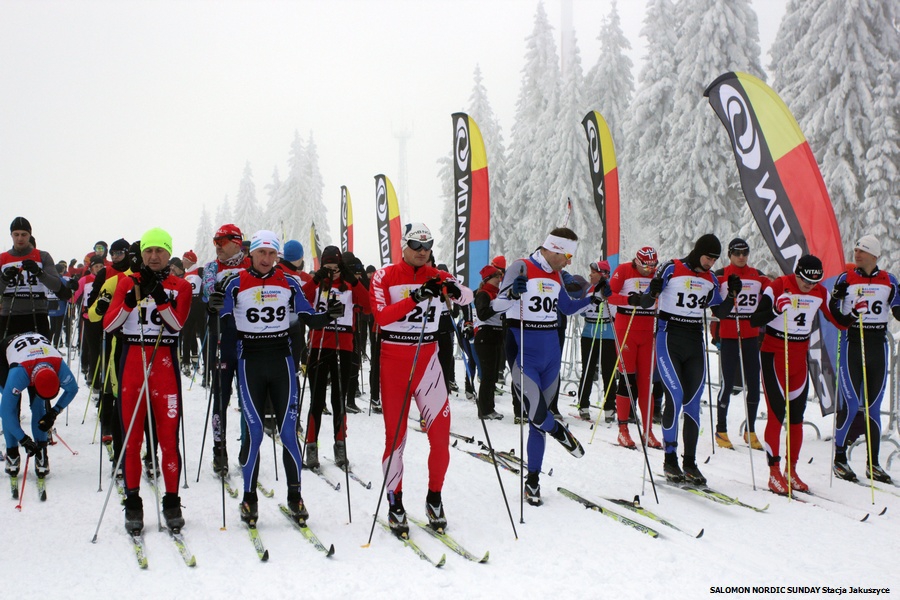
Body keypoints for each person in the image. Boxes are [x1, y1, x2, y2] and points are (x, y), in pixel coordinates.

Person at [213, 230, 337, 525]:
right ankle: (248, 498)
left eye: (272, 254)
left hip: (282, 360)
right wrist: (214, 307)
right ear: (251, 255)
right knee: (255, 434)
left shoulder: (289, 282)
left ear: (277, 257)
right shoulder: (235, 282)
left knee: (289, 433)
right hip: (250, 361)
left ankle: (295, 497)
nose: (266, 259)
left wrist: (328, 316)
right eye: (261, 253)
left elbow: (307, 316)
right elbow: (224, 319)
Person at [369, 222, 473, 535]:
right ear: (404, 246)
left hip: (428, 360)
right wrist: (416, 297)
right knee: (396, 439)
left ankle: (434, 498)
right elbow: (382, 317)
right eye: (415, 246)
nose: (421, 252)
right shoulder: (385, 275)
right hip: (394, 360)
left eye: (426, 247)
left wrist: (454, 290)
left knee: (441, 437)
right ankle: (395, 501)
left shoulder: (437, 275)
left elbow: (467, 297)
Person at [492, 227, 592, 506]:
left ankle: (533, 480)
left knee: (538, 423)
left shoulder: (556, 275)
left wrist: (593, 299)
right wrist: (512, 293)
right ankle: (559, 431)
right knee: (536, 414)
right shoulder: (521, 267)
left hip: (551, 354)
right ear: (555, 249)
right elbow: (494, 306)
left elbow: (568, 308)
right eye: (567, 255)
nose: (569, 261)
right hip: (523, 351)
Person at [103, 227, 192, 533]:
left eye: (160, 251)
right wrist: (129, 300)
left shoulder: (180, 285)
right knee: (131, 439)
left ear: (169, 254)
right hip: (132, 363)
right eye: (149, 251)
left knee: (168, 439)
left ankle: (171, 501)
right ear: (141, 254)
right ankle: (133, 504)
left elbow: (177, 325)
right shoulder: (126, 281)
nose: (154, 257)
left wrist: (159, 296)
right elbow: (108, 325)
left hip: (164, 364)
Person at [646, 234, 737, 485]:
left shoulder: (710, 279)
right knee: (674, 398)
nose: (711, 263)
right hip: (669, 338)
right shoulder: (672, 267)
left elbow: (719, 312)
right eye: (708, 257)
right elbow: (645, 300)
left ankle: (689, 463)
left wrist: (731, 296)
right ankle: (670, 459)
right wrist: (652, 290)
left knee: (693, 404)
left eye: (715, 259)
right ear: (698, 252)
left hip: (694, 341)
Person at [749, 254, 842, 495]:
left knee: (797, 417)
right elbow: (754, 320)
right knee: (776, 414)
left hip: (799, 357)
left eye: (814, 282)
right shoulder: (778, 285)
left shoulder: (819, 292)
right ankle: (774, 472)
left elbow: (840, 321)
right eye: (805, 282)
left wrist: (853, 309)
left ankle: (791, 470)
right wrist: (775, 309)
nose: (809, 287)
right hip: (774, 354)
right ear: (797, 274)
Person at [829, 235, 899, 484]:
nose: (857, 254)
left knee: (873, 408)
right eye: (856, 249)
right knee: (850, 404)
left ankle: (874, 463)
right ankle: (839, 458)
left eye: (862, 251)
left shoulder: (889, 281)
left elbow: (897, 311)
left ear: (874, 255)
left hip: (877, 345)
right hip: (852, 343)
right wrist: (845, 312)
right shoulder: (846, 278)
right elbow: (833, 311)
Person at [302, 245, 371, 470]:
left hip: (344, 346)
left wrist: (354, 281)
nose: (333, 272)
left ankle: (340, 445)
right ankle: (311, 445)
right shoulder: (318, 284)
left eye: (336, 268)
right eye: (328, 268)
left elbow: (368, 306)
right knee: (317, 399)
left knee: (338, 399)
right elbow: (299, 299)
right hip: (319, 346)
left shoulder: (349, 285)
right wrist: (315, 280)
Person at [202, 224, 249, 476]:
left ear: (237, 241)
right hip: (222, 338)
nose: (217, 246)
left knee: (249, 399)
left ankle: (247, 447)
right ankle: (219, 450)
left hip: (248, 341)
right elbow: (207, 292)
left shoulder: (253, 264)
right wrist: (212, 300)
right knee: (221, 397)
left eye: (222, 241)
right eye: (215, 241)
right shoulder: (212, 267)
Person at [713, 238, 768, 450]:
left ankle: (750, 430)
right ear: (730, 254)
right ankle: (721, 429)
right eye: (737, 253)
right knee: (727, 383)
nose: (741, 257)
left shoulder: (758, 276)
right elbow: (713, 303)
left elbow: (773, 293)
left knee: (753, 384)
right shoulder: (720, 275)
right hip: (728, 335)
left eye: (745, 253)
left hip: (751, 336)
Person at [1, 332, 78, 481]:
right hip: (9, 357)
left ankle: (41, 450)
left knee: (39, 405)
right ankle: (12, 452)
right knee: (11, 405)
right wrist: (22, 438)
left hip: (40, 357)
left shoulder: (58, 366)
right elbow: (4, 411)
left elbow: (72, 389)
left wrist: (54, 412)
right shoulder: (19, 375)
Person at [607, 247, 663, 448]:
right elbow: (608, 294)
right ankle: (623, 430)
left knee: (647, 382)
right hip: (626, 327)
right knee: (627, 379)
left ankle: (648, 431)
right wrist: (629, 300)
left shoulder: (658, 274)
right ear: (637, 262)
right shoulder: (623, 270)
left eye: (653, 265)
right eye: (646, 266)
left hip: (648, 331)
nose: (650, 270)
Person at [0, 217, 64, 338]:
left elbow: (56, 286)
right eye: (16, 234)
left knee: (41, 356)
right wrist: (4, 278)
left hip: (37, 315)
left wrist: (39, 272)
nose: (20, 238)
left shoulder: (42, 256)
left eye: (24, 234)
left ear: (30, 235)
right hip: (9, 316)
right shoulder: (2, 259)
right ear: (11, 235)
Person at [576, 260, 616, 422]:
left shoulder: (611, 289)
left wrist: (609, 297)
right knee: (588, 370)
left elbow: (615, 312)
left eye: (593, 272)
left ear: (602, 275)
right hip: (589, 333)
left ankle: (609, 408)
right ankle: (583, 405)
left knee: (609, 372)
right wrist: (592, 299)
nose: (590, 275)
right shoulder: (588, 289)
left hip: (608, 334)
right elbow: (580, 310)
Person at [473, 265, 505, 419]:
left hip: (496, 336)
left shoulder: (497, 294)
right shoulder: (483, 294)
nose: (499, 280)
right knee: (488, 375)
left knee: (493, 376)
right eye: (496, 277)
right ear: (488, 279)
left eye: (499, 276)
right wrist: (497, 308)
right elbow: (483, 314)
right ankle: (484, 410)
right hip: (485, 335)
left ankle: (489, 408)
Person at [180, 250, 205, 377]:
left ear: (189, 260)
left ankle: (206, 365)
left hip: (199, 305)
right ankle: (186, 363)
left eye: (184, 259)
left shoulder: (199, 271)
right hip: (189, 306)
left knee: (202, 335)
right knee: (187, 335)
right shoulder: (185, 275)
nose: (182, 261)